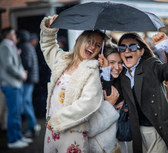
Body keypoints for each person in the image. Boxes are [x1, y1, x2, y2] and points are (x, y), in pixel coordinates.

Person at [40, 15, 119, 153]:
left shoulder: (92, 70)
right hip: (50, 131)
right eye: (89, 41)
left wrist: (57, 120)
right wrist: (49, 28)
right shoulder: (62, 60)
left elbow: (88, 103)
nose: (92, 46)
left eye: (98, 45)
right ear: (78, 41)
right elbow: (48, 46)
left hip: (72, 134)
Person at [117, 32, 168, 153]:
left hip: (159, 129)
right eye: (122, 48)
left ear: (142, 51)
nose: (126, 51)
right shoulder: (121, 74)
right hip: (138, 133)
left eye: (132, 47)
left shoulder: (151, 65)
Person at [0, 27, 32, 149]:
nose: (15, 35)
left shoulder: (10, 45)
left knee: (17, 113)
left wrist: (21, 72)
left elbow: (14, 64)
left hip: (15, 84)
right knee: (13, 114)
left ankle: (18, 137)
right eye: (13, 33)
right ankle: (13, 140)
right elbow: (8, 66)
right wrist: (21, 74)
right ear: (8, 35)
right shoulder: (5, 46)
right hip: (10, 84)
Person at [98, 40, 128, 153]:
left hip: (119, 134)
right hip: (102, 135)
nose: (117, 67)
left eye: (120, 62)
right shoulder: (96, 79)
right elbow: (107, 91)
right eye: (112, 62)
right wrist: (105, 69)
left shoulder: (123, 78)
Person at [17, 30, 41, 137]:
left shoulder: (24, 46)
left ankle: (33, 126)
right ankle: (31, 127)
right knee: (27, 103)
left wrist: (22, 71)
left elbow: (27, 63)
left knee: (25, 103)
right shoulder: (28, 46)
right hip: (31, 78)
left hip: (27, 79)